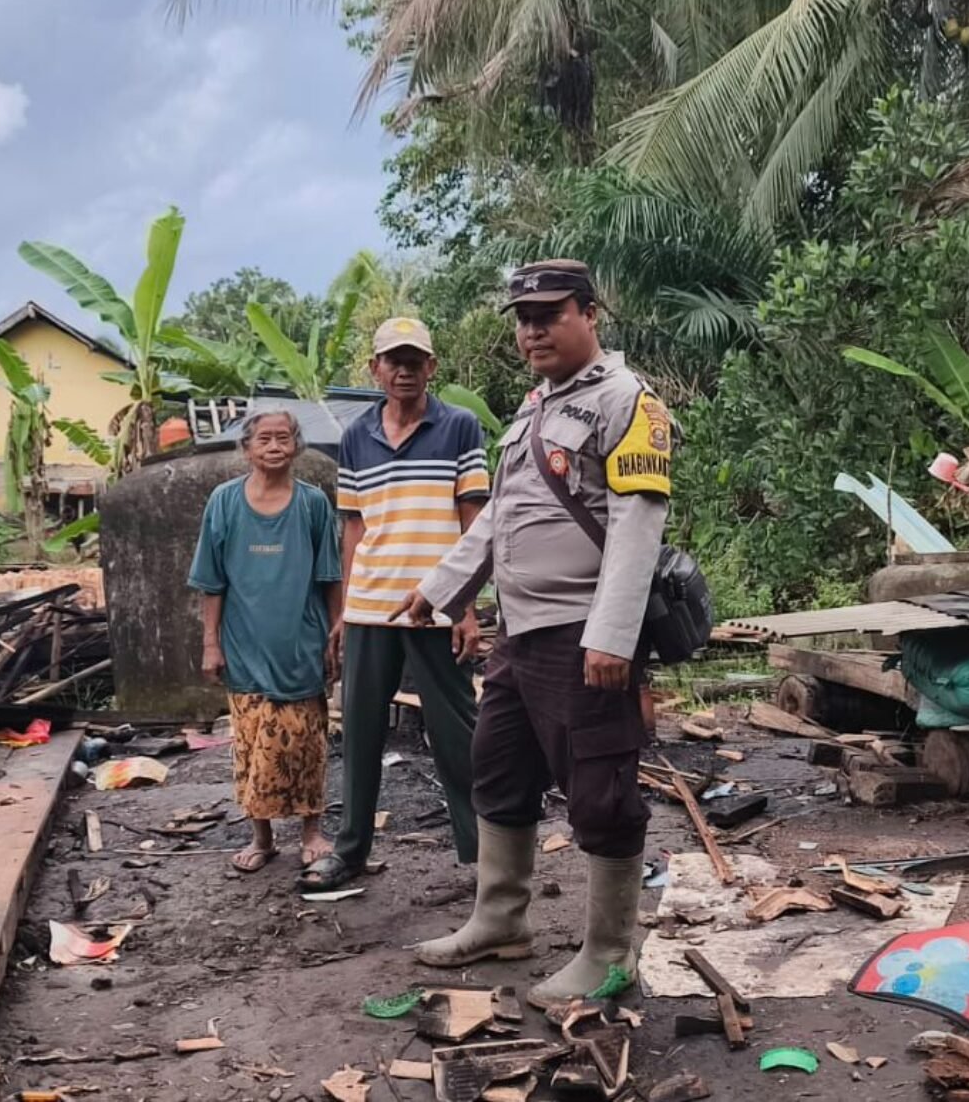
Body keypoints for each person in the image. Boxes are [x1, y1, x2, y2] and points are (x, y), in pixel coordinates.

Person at [394, 259, 672, 1008]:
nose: (532, 330)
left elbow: (636, 524)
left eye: (549, 314)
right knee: (499, 770)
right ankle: (501, 920)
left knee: (601, 794)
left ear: (590, 313)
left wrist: (614, 635)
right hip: (521, 634)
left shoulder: (627, 401)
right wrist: (441, 590)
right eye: (523, 319)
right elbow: (498, 516)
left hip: (586, 634)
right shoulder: (534, 408)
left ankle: (610, 953)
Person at [301, 317, 489, 891]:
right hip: (371, 608)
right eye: (393, 360)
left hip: (436, 604)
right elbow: (353, 527)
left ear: (432, 367)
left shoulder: (460, 428)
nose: (404, 370)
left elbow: (474, 519)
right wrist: (344, 610)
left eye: (415, 360)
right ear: (376, 370)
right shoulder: (357, 436)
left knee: (457, 733)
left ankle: (485, 860)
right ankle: (350, 852)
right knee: (359, 735)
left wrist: (466, 604)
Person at [189, 409, 343, 874]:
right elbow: (211, 581)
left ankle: (312, 831)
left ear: (296, 446)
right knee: (251, 744)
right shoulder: (224, 501)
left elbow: (330, 575)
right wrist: (210, 644)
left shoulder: (313, 503)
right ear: (247, 449)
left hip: (302, 642)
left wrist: (338, 631)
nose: (274, 446)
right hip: (244, 646)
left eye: (283, 438)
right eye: (264, 439)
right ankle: (262, 838)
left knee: (308, 742)